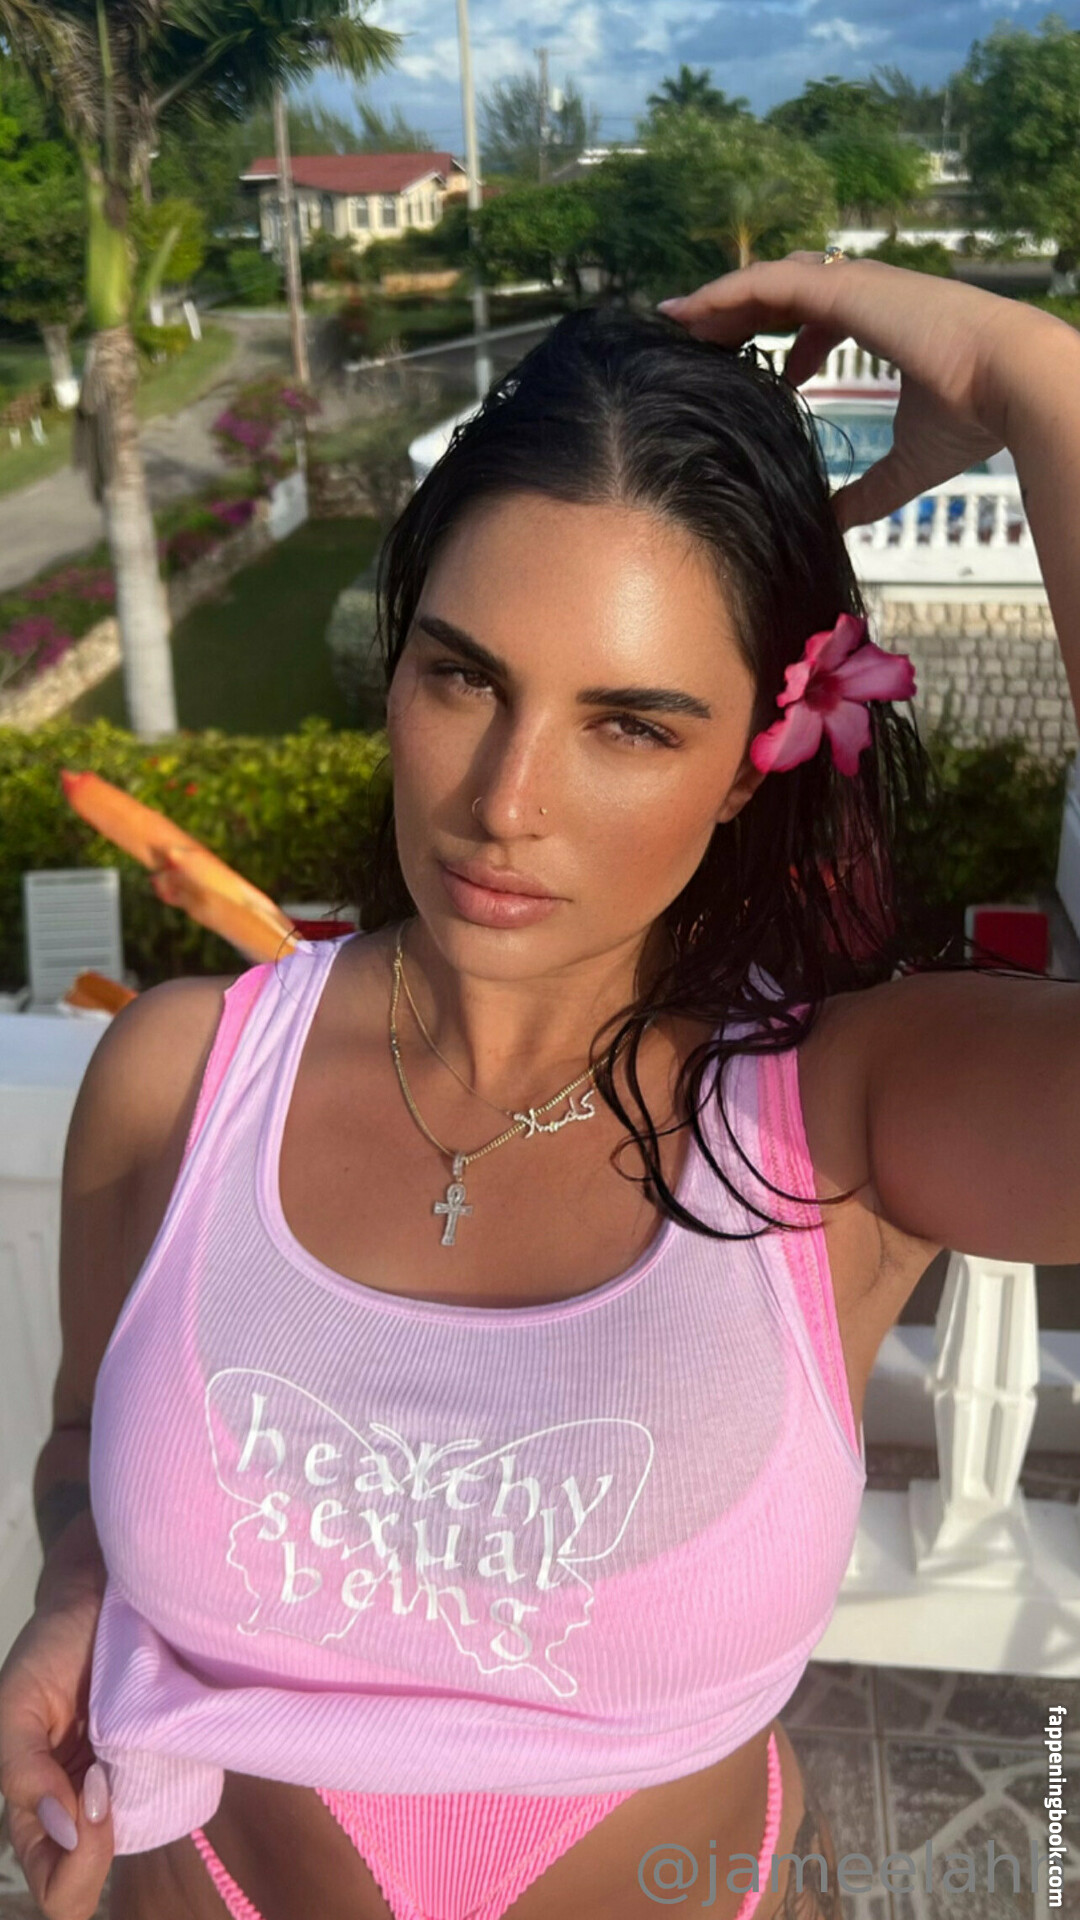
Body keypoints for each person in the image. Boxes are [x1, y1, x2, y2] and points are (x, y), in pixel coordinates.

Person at [1, 249, 1078, 1920]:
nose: (507, 803)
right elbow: (84, 1435)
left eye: (631, 725)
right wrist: (78, 1586)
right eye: (464, 677)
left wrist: (1037, 382)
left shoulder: (836, 1115)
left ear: (754, 763)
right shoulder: (181, 1077)